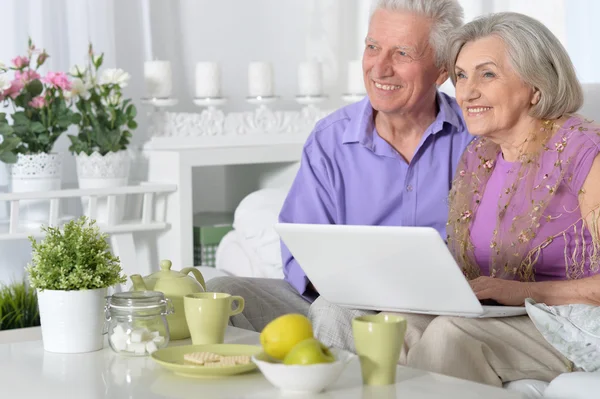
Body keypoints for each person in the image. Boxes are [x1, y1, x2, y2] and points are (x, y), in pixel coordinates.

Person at [310, 11, 600, 387]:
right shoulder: (480, 158)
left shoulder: (585, 151)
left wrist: (522, 292)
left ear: (536, 86)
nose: (467, 92)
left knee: (452, 334)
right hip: (504, 315)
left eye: (487, 74)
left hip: (573, 322)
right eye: (461, 75)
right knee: (393, 327)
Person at [207, 0, 471, 332]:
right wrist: (345, 284)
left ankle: (333, 379)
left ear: (442, 69)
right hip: (342, 296)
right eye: (373, 47)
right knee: (223, 293)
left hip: (436, 312)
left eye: (402, 54)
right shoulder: (330, 140)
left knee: (334, 312)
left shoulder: (476, 138)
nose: (379, 68)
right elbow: (299, 251)